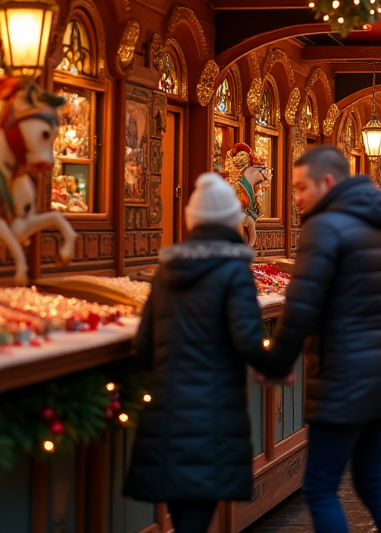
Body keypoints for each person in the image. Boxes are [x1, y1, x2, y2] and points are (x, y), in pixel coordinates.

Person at [255, 146, 381, 533]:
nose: (295, 198)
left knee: (321, 487)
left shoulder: (324, 227)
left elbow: (303, 303)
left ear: (326, 183)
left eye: (299, 188)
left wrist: (277, 363)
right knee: (372, 482)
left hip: (345, 374)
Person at [125, 173, 275, 533]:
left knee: (181, 509)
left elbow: (143, 345)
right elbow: (247, 337)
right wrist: (273, 366)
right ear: (230, 221)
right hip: (214, 409)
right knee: (198, 515)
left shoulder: (165, 272)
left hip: (166, 410)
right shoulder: (233, 270)